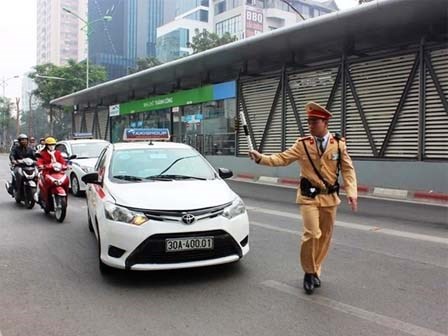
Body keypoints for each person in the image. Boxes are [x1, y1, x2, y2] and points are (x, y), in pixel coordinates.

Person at [249, 101, 358, 295]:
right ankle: (309, 272)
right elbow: (282, 158)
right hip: (308, 197)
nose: (310, 125)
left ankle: (316, 269)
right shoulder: (302, 145)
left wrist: (352, 192)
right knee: (312, 234)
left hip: (330, 198)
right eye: (308, 122)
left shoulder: (339, 144)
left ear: (325, 123)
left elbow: (348, 170)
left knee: (325, 237)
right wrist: (260, 158)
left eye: (314, 121)